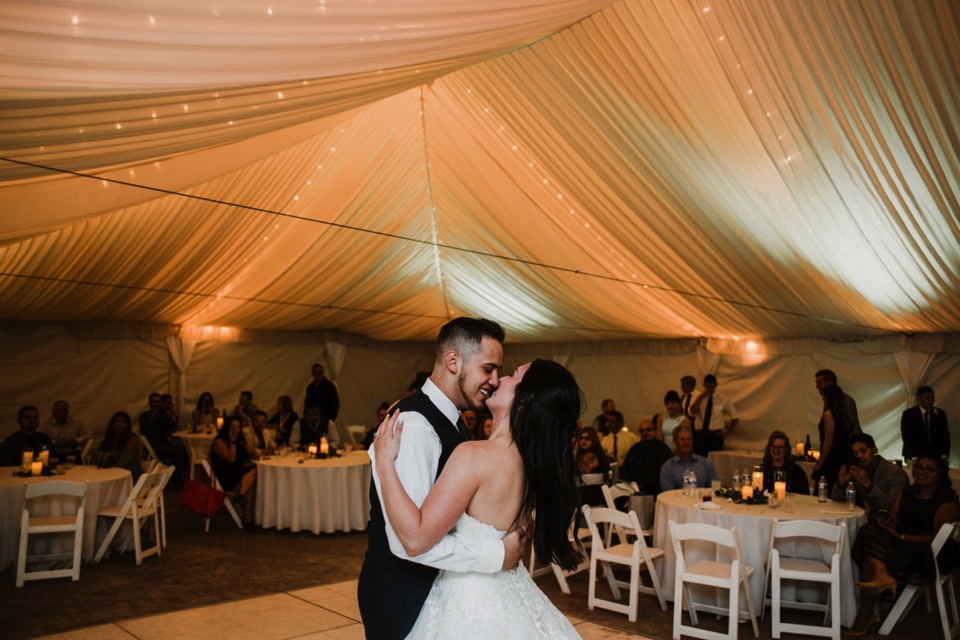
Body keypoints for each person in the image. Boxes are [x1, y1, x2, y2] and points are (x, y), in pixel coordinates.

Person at [372, 359, 583, 639]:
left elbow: (415, 538)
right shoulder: (532, 464)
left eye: (511, 375)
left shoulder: (475, 455)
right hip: (510, 593)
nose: (497, 380)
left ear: (525, 398)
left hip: (468, 602)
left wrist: (384, 463)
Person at [357, 317, 526, 640]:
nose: (494, 380)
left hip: (432, 589)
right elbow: (409, 543)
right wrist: (496, 555)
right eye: (488, 369)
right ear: (453, 361)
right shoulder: (416, 427)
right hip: (401, 592)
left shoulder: (452, 419)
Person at [845, 455, 960, 636]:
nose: (922, 472)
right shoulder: (907, 492)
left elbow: (935, 539)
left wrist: (902, 536)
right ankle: (881, 576)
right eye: (919, 467)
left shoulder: (947, 503)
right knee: (871, 529)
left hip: (926, 553)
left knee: (870, 556)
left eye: (929, 469)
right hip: (901, 541)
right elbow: (894, 518)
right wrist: (889, 526)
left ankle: (865, 615)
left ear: (940, 475)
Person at [831, 433, 908, 520]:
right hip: (865, 519)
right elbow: (837, 500)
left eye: (863, 451)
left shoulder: (895, 473)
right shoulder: (857, 469)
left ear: (874, 450)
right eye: (855, 453)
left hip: (889, 524)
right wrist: (841, 483)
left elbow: (893, 508)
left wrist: (868, 485)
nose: (859, 456)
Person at [210, 415, 259, 532]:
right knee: (253, 476)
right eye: (233, 427)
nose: (235, 430)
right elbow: (231, 458)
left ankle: (247, 518)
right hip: (226, 476)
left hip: (238, 474)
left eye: (238, 427)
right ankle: (248, 518)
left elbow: (255, 454)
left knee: (251, 480)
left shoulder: (240, 440)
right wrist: (232, 441)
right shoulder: (219, 442)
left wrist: (247, 446)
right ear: (227, 427)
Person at [812, 382, 853, 493]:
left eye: (823, 396)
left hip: (831, 458)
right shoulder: (844, 414)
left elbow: (828, 441)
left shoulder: (829, 413)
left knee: (825, 488)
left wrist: (820, 463)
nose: (822, 398)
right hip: (842, 456)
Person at [688, 374, 739, 457]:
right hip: (700, 434)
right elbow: (692, 411)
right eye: (707, 386)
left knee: (715, 461)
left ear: (716, 385)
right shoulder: (697, 397)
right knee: (699, 460)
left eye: (712, 386)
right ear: (704, 385)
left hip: (715, 435)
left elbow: (735, 416)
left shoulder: (722, 399)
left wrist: (728, 433)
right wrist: (700, 398)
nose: (709, 389)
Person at [620, 420, 673, 496]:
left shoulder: (663, 450)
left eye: (648, 430)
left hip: (654, 491)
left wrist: (644, 484)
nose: (645, 433)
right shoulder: (634, 449)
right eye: (642, 431)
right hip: (631, 490)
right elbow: (625, 469)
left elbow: (664, 473)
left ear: (655, 431)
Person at [660, 424, 718, 491]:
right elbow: (668, 495)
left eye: (689, 439)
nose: (686, 442)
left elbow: (715, 490)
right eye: (682, 439)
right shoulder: (668, 467)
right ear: (674, 442)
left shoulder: (706, 464)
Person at [139, 392, 186, 473]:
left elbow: (173, 429)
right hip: (154, 446)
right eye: (154, 402)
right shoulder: (145, 416)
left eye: (159, 402)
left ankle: (170, 472)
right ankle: (169, 473)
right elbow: (144, 430)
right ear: (150, 403)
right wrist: (152, 417)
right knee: (181, 453)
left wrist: (171, 418)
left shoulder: (163, 415)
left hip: (165, 444)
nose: (157, 404)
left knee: (185, 451)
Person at [901, 385, 950, 460]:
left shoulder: (940, 413)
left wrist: (944, 454)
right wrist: (913, 455)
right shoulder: (909, 414)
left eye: (932, 398)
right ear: (918, 399)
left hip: (935, 453)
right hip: (915, 452)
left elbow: (945, 435)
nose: (931, 401)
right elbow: (907, 436)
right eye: (927, 398)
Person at [760, 430, 810, 495]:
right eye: (773, 446)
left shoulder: (797, 473)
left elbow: (805, 497)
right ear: (769, 448)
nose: (776, 450)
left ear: (786, 450)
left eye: (780, 447)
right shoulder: (762, 471)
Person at [97, 411, 143, 481]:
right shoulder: (109, 439)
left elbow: (122, 465)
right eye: (117, 421)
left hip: (129, 478)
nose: (119, 424)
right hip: (110, 475)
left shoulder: (133, 440)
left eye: (123, 422)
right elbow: (99, 459)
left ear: (127, 425)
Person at [815, 369, 861, 434]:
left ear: (829, 383)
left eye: (819, 383)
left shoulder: (842, 400)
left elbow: (849, 425)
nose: (816, 386)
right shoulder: (834, 400)